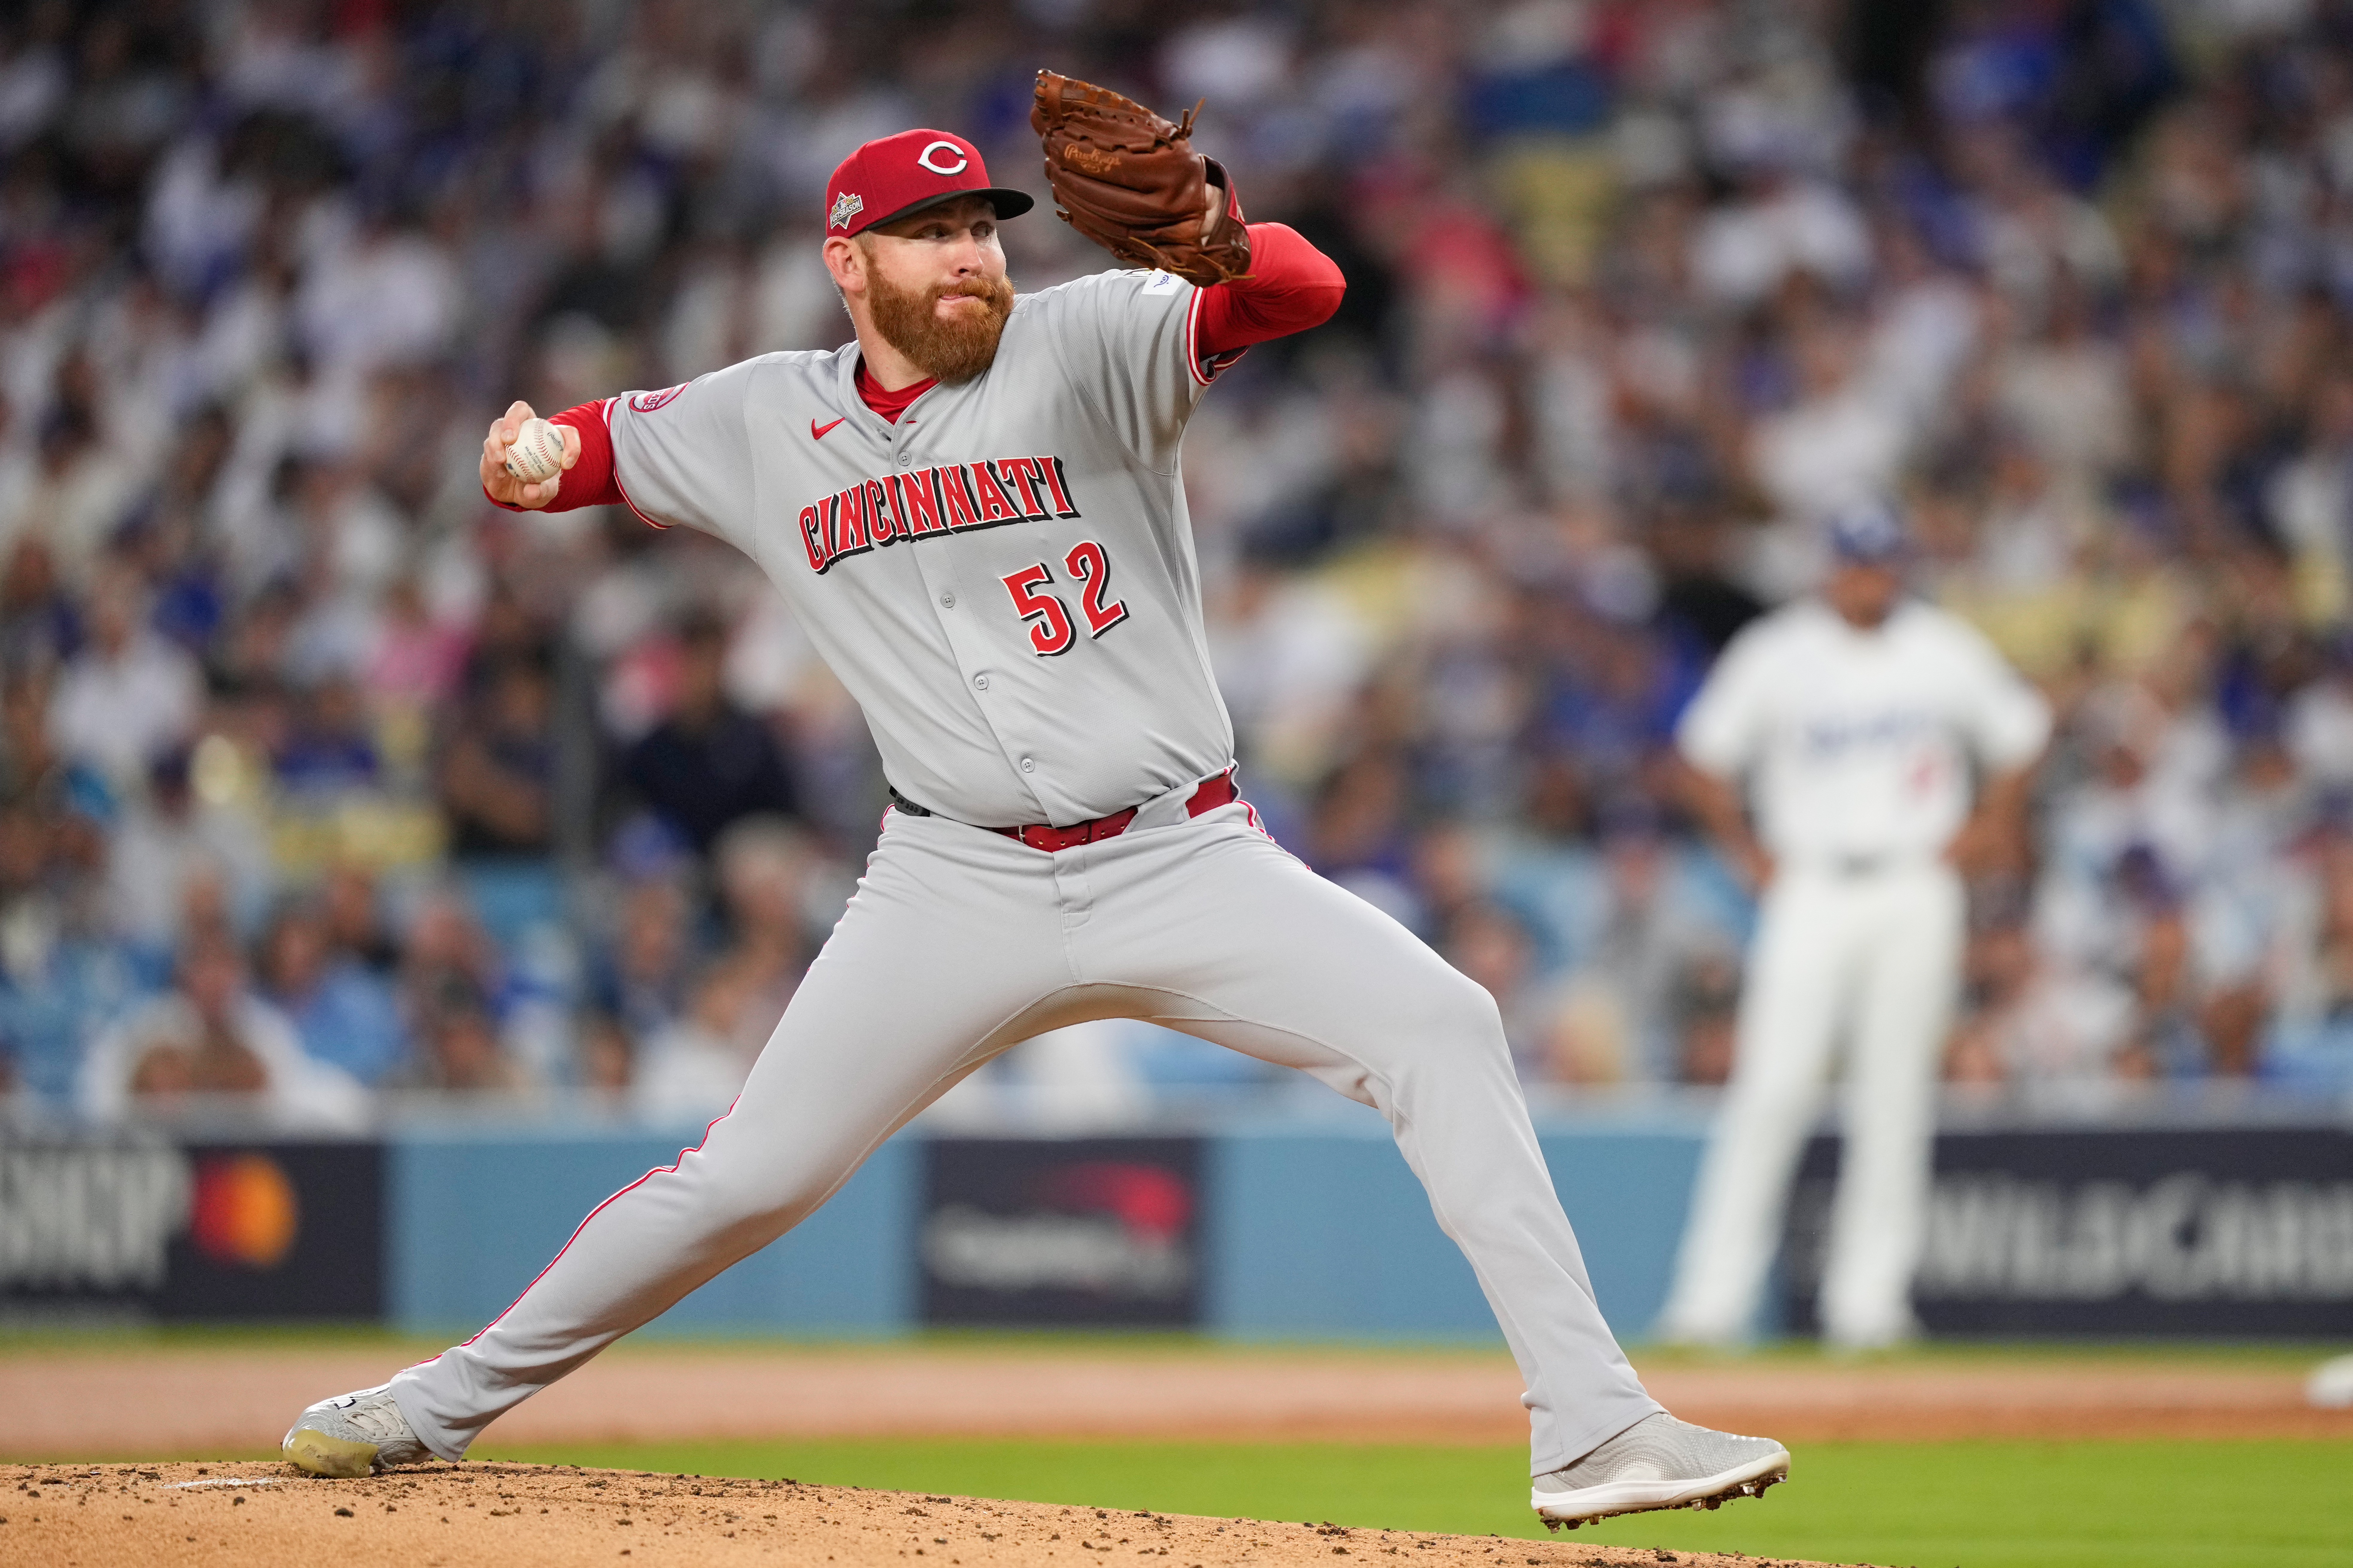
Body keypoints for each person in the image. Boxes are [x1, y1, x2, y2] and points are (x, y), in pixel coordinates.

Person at [279, 113, 1787, 1529]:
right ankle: (443, 1402)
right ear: (847, 261)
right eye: (930, 233)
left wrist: (1206, 224)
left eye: (984, 228)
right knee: (747, 1178)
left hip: (1181, 855)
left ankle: (1590, 1430)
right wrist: (525, 457)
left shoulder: (1090, 336)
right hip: (949, 879)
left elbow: (1304, 290)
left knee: (1443, 1026)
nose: (972, 256)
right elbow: (576, 454)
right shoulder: (761, 418)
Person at [1659, 502, 2051, 1350]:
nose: (1868, 577)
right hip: (1814, 880)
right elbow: (1701, 757)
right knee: (1771, 1088)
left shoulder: (1941, 648)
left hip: (1916, 878)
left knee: (1895, 1097)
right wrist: (1750, 855)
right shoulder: (1780, 650)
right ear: (1829, 566)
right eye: (1854, 562)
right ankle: (1710, 1301)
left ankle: (1868, 1306)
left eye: (1881, 562)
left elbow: (2022, 739)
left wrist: (1985, 827)